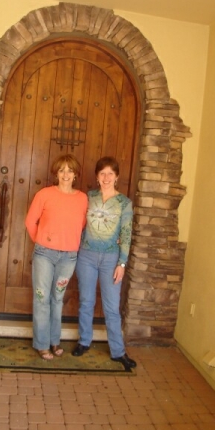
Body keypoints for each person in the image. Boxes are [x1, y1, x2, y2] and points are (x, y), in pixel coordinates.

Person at [72, 156, 137, 370]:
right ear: (97, 177)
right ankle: (84, 341)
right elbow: (76, 223)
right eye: (102, 174)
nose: (106, 177)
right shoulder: (87, 197)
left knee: (111, 307)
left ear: (117, 177)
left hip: (111, 260)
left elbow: (126, 233)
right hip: (87, 257)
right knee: (86, 301)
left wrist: (123, 263)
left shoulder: (124, 203)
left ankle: (118, 351)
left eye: (110, 173)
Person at [25, 154, 88, 361]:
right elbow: (30, 222)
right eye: (62, 170)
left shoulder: (82, 199)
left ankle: (54, 341)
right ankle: (42, 344)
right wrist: (42, 241)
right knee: (42, 299)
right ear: (56, 173)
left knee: (57, 299)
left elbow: (83, 226)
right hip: (44, 254)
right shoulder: (44, 194)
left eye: (70, 170)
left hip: (69, 258)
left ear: (76, 174)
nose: (66, 174)